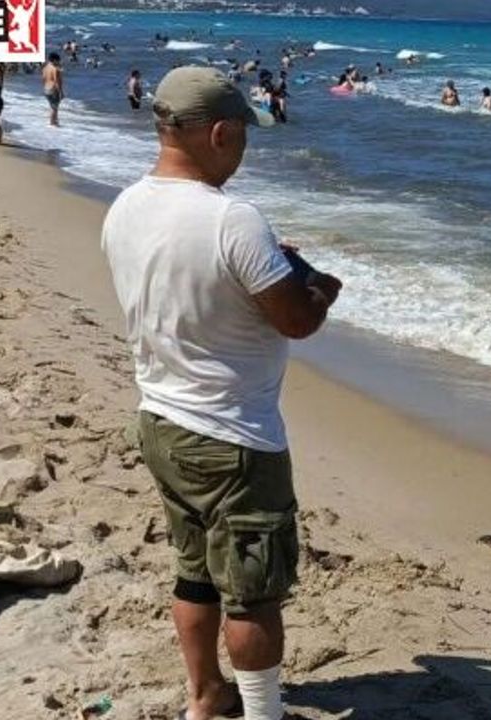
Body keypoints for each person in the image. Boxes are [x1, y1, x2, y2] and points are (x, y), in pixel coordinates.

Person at [101, 66, 341, 720]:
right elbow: (298, 320)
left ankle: (206, 693)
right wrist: (321, 285)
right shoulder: (233, 220)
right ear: (219, 133)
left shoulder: (126, 207)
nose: (244, 148)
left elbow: (189, 288)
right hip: (232, 435)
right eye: (243, 135)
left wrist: (265, 266)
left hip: (161, 418)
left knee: (195, 571)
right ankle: (261, 713)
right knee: (253, 592)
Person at [43, 52, 64, 127]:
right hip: (53, 90)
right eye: (58, 60)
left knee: (52, 107)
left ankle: (55, 122)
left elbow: (44, 79)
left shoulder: (45, 68)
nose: (59, 62)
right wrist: (61, 92)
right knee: (55, 108)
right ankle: (53, 123)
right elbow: (57, 81)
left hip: (46, 89)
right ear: (55, 60)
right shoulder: (55, 69)